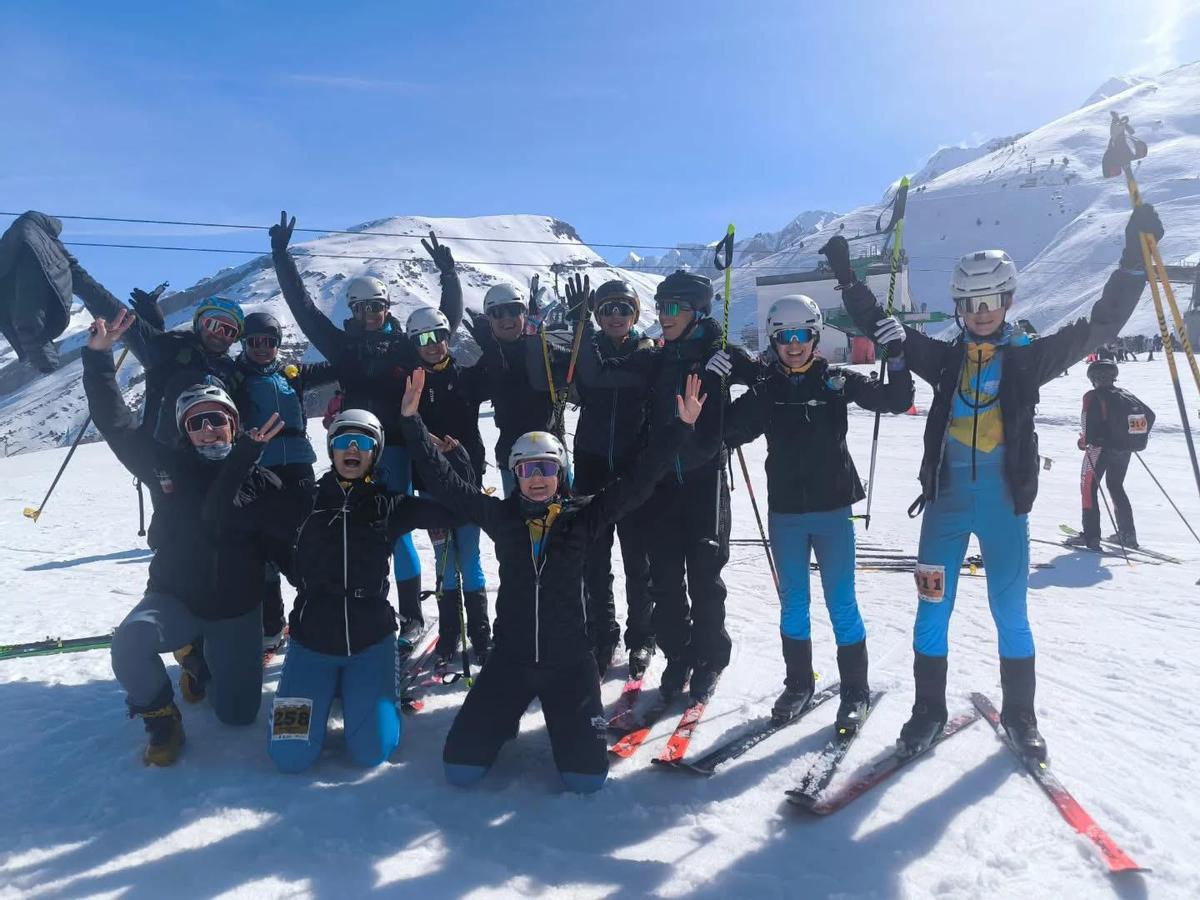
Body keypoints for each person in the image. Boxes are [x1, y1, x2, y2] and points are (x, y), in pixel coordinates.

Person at [830, 201, 1160, 762]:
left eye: (991, 302)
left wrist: (1134, 261)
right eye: (970, 304)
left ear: (1007, 301)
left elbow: (1103, 323)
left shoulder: (1030, 359)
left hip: (1005, 509)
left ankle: (1021, 715)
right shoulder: (941, 357)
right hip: (946, 508)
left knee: (1011, 612)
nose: (981, 313)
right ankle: (927, 711)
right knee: (931, 609)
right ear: (959, 307)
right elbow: (877, 324)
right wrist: (846, 278)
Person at [398, 367, 705, 793]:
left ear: (560, 473)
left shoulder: (583, 516)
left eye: (546, 468)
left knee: (586, 778)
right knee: (460, 768)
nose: (538, 478)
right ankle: (501, 718)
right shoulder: (501, 518)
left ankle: (561, 725)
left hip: (569, 663)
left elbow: (639, 482)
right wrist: (412, 424)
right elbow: (448, 485)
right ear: (515, 475)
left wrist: (681, 428)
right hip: (511, 659)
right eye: (527, 470)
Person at [82, 309, 301, 766]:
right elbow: (115, 423)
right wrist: (99, 360)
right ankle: (161, 716)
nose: (208, 430)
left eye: (217, 420)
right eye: (197, 422)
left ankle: (199, 660)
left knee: (237, 716)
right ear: (184, 429)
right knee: (130, 643)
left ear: (234, 423)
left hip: (236, 611)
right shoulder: (166, 468)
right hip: (175, 598)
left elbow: (286, 550)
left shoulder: (261, 481)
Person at [270, 211, 462, 640]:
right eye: (362, 308)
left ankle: (411, 616)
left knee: (402, 531)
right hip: (361, 448)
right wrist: (282, 259)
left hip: (404, 446)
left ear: (387, 308)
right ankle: (370, 604)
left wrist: (449, 274)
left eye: (377, 306)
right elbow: (304, 311)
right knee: (369, 531)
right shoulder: (341, 346)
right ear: (353, 311)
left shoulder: (404, 344)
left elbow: (445, 320)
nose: (371, 314)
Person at [724, 294, 913, 725]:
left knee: (841, 602)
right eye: (785, 337)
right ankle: (798, 684)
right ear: (774, 340)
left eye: (802, 335)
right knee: (793, 604)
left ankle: (855, 690)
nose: (794, 345)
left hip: (831, 511)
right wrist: (719, 382)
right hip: (786, 513)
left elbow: (896, 400)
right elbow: (726, 431)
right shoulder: (766, 389)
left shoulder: (836, 382)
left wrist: (897, 356)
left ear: (815, 337)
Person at [573, 270, 759, 704]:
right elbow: (602, 379)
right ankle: (678, 657)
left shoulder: (719, 355)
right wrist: (580, 329)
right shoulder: (657, 357)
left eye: (672, 307)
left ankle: (710, 658)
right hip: (658, 485)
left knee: (704, 578)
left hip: (703, 483)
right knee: (666, 582)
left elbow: (768, 389)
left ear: (697, 311)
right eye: (660, 307)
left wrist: (722, 433)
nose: (664, 315)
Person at [267, 409, 470, 773]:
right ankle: (330, 688)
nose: (353, 449)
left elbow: (458, 510)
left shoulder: (389, 504)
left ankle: (355, 688)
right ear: (331, 449)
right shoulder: (304, 501)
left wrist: (450, 457)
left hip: (369, 642)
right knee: (290, 756)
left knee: (372, 752)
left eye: (363, 443)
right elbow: (236, 516)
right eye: (344, 440)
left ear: (374, 453)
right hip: (310, 643)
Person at [563, 276, 657, 678]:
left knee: (638, 559)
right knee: (595, 559)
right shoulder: (588, 346)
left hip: (633, 466)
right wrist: (579, 332)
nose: (615, 316)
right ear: (597, 316)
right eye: (606, 310)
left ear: (635, 313)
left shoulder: (648, 350)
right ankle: (603, 634)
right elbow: (580, 378)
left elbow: (604, 377)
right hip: (591, 461)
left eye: (623, 308)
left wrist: (583, 336)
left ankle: (641, 638)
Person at [233, 310, 338, 647]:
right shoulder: (236, 377)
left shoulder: (291, 374)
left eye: (269, 342)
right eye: (255, 342)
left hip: (298, 471)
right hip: (259, 472)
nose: (262, 348)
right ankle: (272, 624)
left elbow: (336, 365)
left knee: (307, 546)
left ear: (277, 344)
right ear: (245, 343)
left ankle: (317, 614)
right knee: (265, 551)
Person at [405, 304, 493, 665]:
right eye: (424, 338)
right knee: (444, 561)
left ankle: (481, 634)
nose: (433, 344)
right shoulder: (410, 383)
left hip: (468, 481)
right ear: (414, 342)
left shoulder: (466, 377)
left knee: (470, 559)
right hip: (430, 484)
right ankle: (451, 632)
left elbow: (502, 372)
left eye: (439, 336)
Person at [462, 279, 573, 498]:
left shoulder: (545, 349)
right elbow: (489, 387)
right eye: (497, 313)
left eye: (513, 310)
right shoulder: (487, 362)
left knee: (567, 526)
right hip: (512, 458)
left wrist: (582, 323)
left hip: (552, 455)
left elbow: (580, 367)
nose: (506, 319)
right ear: (489, 320)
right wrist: (491, 350)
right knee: (520, 528)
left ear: (524, 313)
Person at [1066, 359, 1152, 551]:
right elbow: (1149, 415)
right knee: (1116, 486)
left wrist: (1083, 441)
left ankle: (1091, 536)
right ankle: (1127, 534)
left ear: (1092, 378)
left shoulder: (1092, 396)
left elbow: (1087, 424)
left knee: (1088, 489)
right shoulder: (1126, 394)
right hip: (1125, 449)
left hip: (1099, 449)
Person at [0, 211, 74, 372]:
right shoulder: (35, 248)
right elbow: (29, 307)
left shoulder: (15, 244)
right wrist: (45, 358)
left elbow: (28, 305)